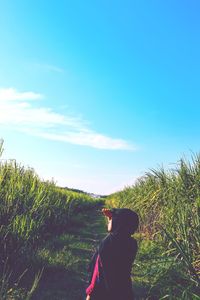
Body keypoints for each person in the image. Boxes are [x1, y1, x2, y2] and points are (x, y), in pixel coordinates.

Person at [85, 207, 139, 300]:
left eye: (112, 221)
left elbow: (98, 272)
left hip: (104, 285)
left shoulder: (108, 243)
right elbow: (114, 230)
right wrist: (111, 217)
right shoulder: (132, 243)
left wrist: (91, 291)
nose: (110, 222)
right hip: (122, 285)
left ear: (118, 224)